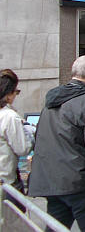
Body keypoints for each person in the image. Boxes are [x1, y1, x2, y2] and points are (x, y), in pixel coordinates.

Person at [28, 55, 85, 232]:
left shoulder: (51, 101)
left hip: (54, 181)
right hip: (82, 183)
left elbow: (40, 137)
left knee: (55, 227)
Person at [0, 69, 35, 212]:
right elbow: (23, 148)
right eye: (16, 92)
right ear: (8, 95)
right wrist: (30, 133)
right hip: (6, 182)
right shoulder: (9, 117)